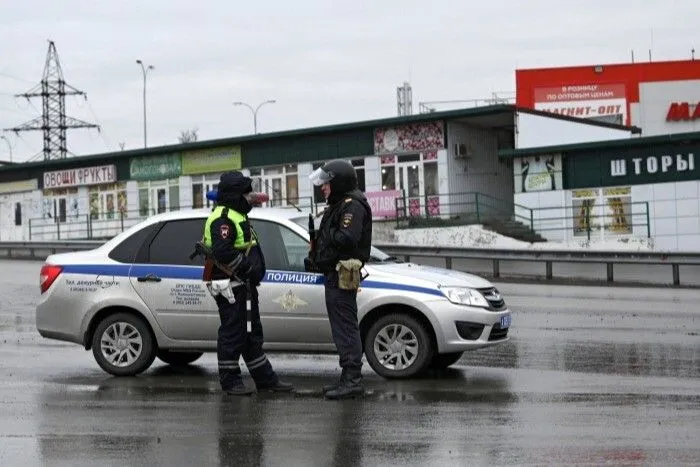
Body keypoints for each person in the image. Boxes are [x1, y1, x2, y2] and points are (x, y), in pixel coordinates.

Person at [202, 170, 293, 396]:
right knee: (233, 333)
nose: (250, 196)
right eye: (246, 192)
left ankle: (265, 380)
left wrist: (250, 275)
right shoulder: (223, 217)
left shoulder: (236, 213)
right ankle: (230, 381)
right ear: (235, 194)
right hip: (231, 286)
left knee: (251, 333)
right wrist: (248, 268)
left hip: (245, 287)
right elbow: (223, 252)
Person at [308, 159, 372, 400]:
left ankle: (353, 380)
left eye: (326, 184)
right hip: (333, 274)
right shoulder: (339, 204)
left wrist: (328, 230)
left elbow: (347, 239)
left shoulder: (352, 205)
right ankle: (347, 377)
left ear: (339, 183)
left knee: (345, 329)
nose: (322, 188)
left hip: (342, 275)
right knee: (341, 328)